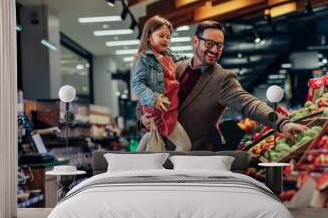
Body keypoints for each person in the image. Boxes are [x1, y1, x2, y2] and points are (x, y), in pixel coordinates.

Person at [138, 20, 307, 150]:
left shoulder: (223, 79)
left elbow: (250, 104)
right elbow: (144, 102)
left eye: (220, 45)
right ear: (195, 41)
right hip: (158, 152)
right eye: (210, 43)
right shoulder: (174, 68)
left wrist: (283, 124)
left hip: (192, 161)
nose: (214, 50)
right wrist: (142, 119)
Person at [131, 15, 191, 152]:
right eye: (161, 36)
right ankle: (177, 173)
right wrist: (154, 98)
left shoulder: (167, 56)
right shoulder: (144, 59)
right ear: (148, 36)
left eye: (168, 37)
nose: (166, 40)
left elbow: (183, 58)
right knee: (185, 145)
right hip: (160, 108)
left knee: (154, 139)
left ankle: (137, 159)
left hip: (169, 107)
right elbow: (137, 83)